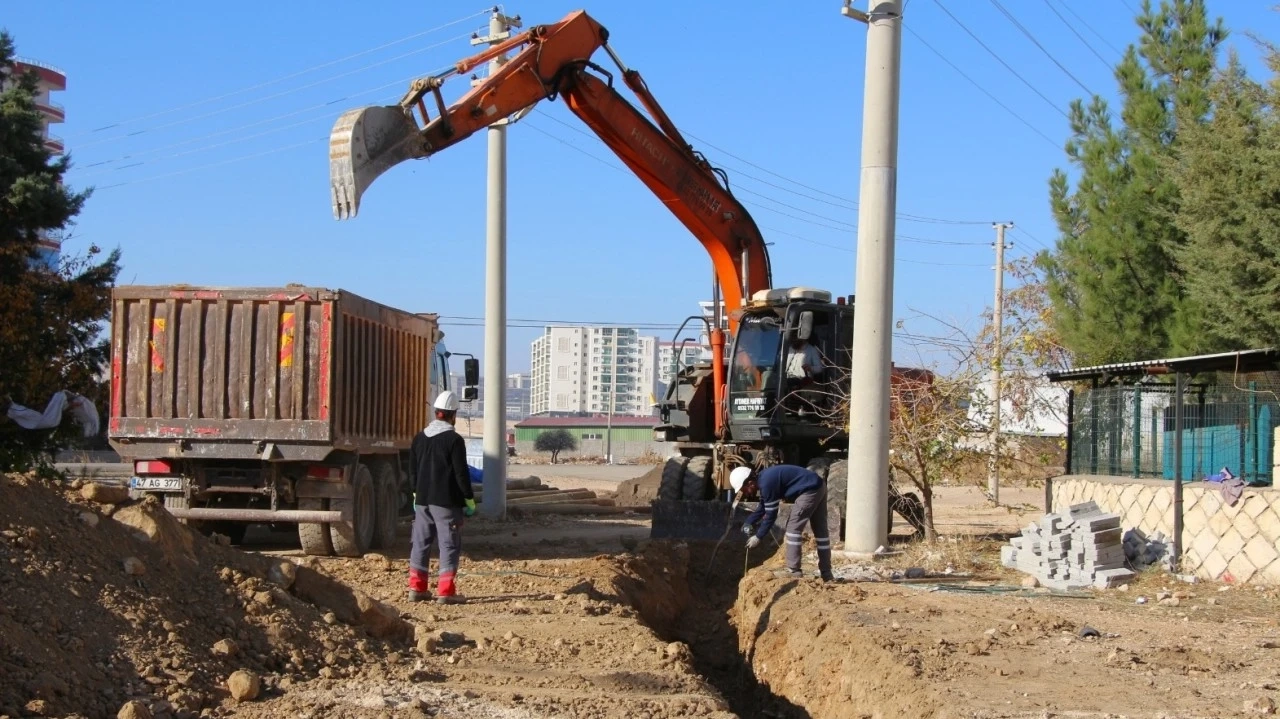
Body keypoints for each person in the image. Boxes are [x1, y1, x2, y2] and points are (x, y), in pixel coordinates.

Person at [407, 390, 476, 604]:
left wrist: (416, 493)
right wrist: (468, 498)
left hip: (423, 501)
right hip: (446, 502)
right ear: (453, 415)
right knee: (448, 544)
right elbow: (461, 473)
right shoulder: (454, 440)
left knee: (420, 543)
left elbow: (412, 471)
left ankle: (416, 589)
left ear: (436, 412)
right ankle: (446, 592)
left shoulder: (419, 438)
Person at [730, 464, 833, 582]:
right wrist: (748, 522)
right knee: (821, 531)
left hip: (809, 491)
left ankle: (794, 570)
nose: (745, 493)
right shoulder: (764, 480)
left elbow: (771, 515)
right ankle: (827, 573)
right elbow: (763, 507)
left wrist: (758, 537)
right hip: (819, 485)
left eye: (744, 490)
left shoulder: (766, 484)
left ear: (750, 483)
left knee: (793, 528)